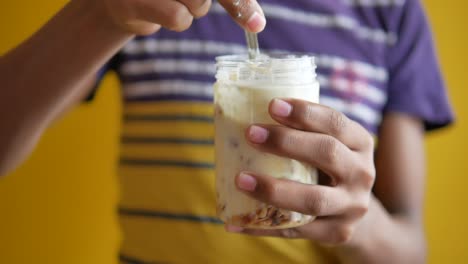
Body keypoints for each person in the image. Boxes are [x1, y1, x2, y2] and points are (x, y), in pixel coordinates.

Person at [0, 0, 454, 263]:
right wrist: (98, 15)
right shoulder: (146, 8)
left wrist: (359, 224)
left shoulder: (390, 13)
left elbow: (411, 250)